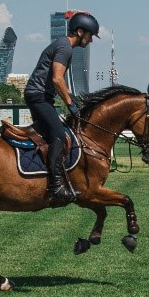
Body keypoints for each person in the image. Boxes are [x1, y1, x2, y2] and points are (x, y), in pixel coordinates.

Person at [23, 10, 101, 199]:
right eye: (90, 35)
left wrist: (73, 98)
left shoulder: (64, 46)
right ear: (81, 31)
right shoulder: (65, 47)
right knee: (59, 134)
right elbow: (58, 79)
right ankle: (55, 186)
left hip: (41, 96)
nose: (91, 41)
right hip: (39, 96)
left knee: (49, 135)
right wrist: (69, 104)